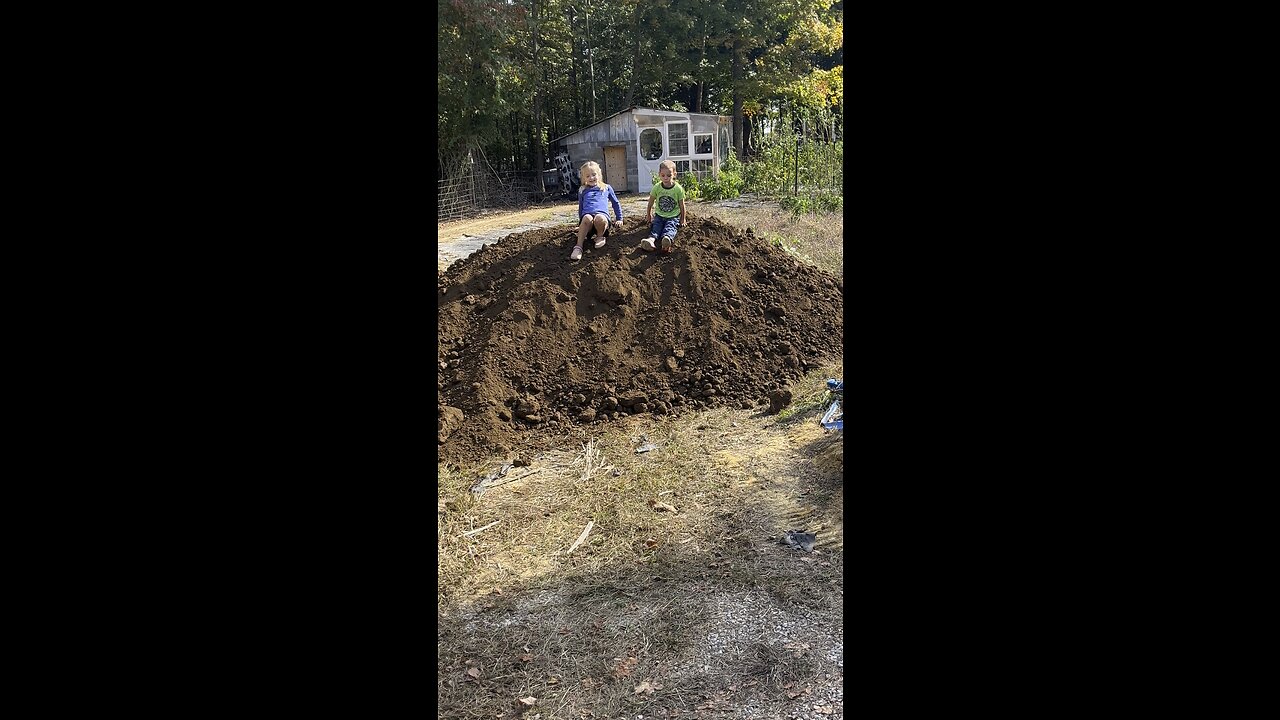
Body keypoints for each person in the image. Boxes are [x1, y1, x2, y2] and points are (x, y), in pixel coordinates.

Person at [571, 161, 623, 261]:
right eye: (587, 176)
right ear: (583, 178)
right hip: (588, 221)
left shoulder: (606, 188)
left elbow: (615, 203)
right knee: (586, 217)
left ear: (599, 174)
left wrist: (619, 218)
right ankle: (578, 247)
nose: (591, 178)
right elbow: (581, 207)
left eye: (594, 175)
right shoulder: (582, 190)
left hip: (602, 220)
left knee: (599, 218)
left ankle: (600, 237)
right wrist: (580, 224)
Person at [642, 160, 686, 253]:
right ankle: (651, 240)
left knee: (670, 227)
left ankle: (667, 239)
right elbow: (650, 202)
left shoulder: (678, 189)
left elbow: (682, 205)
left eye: (669, 175)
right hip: (659, 215)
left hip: (673, 216)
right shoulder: (657, 187)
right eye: (663, 175)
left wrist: (683, 218)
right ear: (659, 174)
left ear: (674, 174)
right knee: (656, 227)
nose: (666, 178)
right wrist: (649, 215)